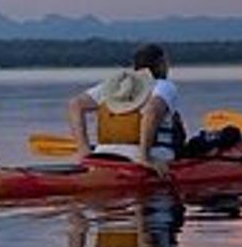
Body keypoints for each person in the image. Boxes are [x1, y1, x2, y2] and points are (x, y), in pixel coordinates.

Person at [69, 43, 184, 176]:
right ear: (161, 64)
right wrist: (145, 157)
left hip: (103, 155)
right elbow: (151, 111)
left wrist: (84, 150)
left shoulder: (120, 86)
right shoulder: (164, 86)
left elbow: (75, 104)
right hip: (144, 155)